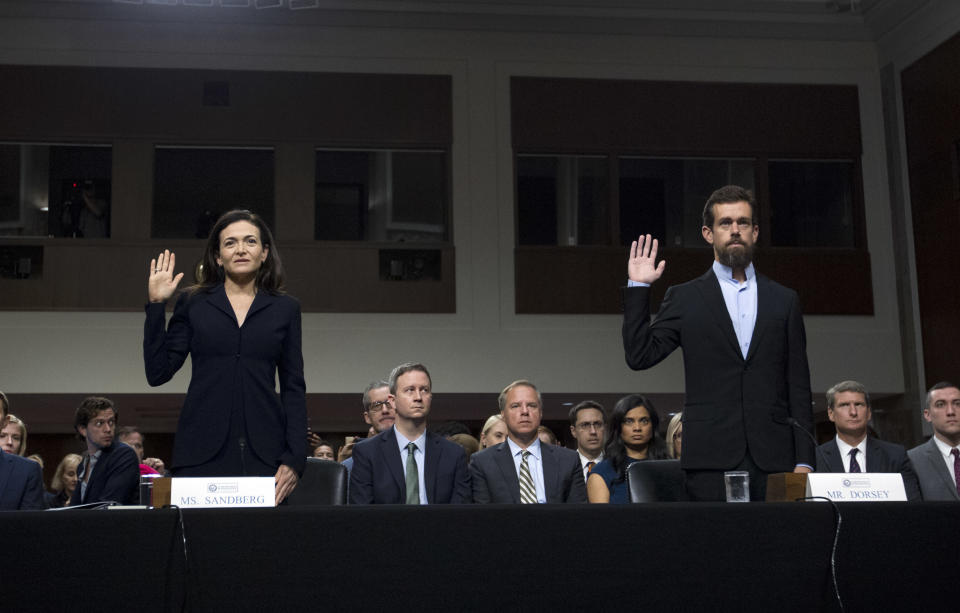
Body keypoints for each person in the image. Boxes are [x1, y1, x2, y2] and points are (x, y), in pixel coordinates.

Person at [623, 185, 814, 501]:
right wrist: (638, 287)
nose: (735, 231)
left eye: (743, 223)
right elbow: (639, 355)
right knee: (716, 547)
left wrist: (805, 459)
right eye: (725, 223)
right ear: (708, 234)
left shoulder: (784, 300)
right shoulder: (684, 298)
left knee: (781, 546)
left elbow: (799, 384)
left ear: (755, 232)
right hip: (710, 461)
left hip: (779, 462)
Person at [143, 209, 306, 505]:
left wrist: (294, 459)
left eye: (250, 241)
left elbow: (294, 387)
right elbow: (158, 372)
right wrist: (156, 306)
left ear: (264, 253)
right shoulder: (192, 303)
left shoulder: (286, 308)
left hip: (267, 453)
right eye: (230, 243)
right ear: (218, 256)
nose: (241, 249)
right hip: (200, 450)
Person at [349, 363, 471, 504]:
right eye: (410, 390)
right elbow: (362, 514)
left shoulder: (453, 454)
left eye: (424, 390)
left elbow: (461, 515)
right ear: (392, 401)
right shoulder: (367, 453)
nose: (418, 397)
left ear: (431, 398)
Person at [470, 380, 586, 504]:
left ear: (541, 412)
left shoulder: (568, 460)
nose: (525, 411)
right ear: (503, 415)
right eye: (515, 406)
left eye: (532, 405)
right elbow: (482, 516)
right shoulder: (482, 462)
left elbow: (577, 514)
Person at [816, 380, 921, 501]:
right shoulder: (816, 458)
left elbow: (913, 504)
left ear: (869, 412)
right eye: (844, 405)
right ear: (831, 414)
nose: (853, 412)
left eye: (859, 404)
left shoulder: (895, 455)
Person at [587, 395, 670, 504]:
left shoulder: (668, 467)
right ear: (618, 427)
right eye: (629, 421)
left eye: (644, 421)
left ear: (653, 426)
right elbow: (602, 519)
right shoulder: (602, 472)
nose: (637, 428)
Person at [70, 397, 139, 506]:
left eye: (111, 422)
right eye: (99, 423)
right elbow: (76, 507)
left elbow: (109, 504)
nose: (108, 429)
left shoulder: (123, 454)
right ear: (83, 430)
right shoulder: (83, 464)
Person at [908, 382, 960, 501]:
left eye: (957, 404)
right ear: (928, 415)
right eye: (940, 404)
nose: (951, 411)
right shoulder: (912, 460)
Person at [0, 391, 45, 510]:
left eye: (15, 438)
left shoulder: (28, 471)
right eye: (3, 436)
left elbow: (29, 525)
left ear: (5, 421)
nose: (9, 442)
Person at [340, 380, 397, 474]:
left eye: (389, 403)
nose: (385, 410)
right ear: (367, 418)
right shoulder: (351, 468)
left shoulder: (421, 455)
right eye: (376, 406)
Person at [569, 400, 606, 481]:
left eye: (598, 424)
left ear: (604, 428)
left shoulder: (618, 466)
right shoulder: (564, 468)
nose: (593, 431)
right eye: (585, 425)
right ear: (573, 431)